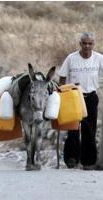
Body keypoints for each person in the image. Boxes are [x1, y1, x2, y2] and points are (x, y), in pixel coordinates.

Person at [58, 33, 103, 170]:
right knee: (73, 128)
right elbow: (62, 76)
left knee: (89, 129)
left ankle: (87, 162)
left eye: (90, 44)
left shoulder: (99, 58)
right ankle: (71, 159)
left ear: (93, 45)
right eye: (84, 43)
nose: (87, 46)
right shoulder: (71, 58)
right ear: (80, 44)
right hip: (74, 96)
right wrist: (62, 94)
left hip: (91, 96)